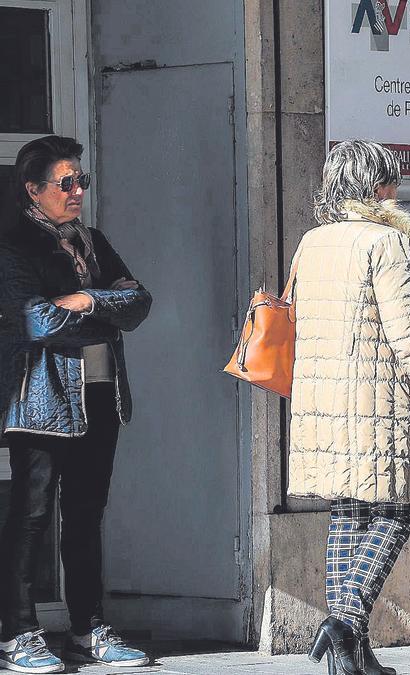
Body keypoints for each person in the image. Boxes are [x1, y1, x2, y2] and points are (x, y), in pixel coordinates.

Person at [291, 140, 410, 675]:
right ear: (378, 186)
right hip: (381, 400)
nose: (397, 189)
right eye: (392, 180)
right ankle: (343, 622)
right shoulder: (387, 243)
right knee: (398, 510)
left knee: (348, 515)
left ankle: (351, 655)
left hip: (324, 400)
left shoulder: (312, 242)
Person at [0, 135, 153, 672]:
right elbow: (37, 320)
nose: (77, 191)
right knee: (32, 514)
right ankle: (19, 631)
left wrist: (90, 298)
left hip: (99, 394)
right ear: (34, 190)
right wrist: (104, 307)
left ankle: (88, 628)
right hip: (40, 397)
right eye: (66, 183)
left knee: (86, 515)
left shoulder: (94, 241)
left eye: (81, 181)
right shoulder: (16, 246)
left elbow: (139, 304)